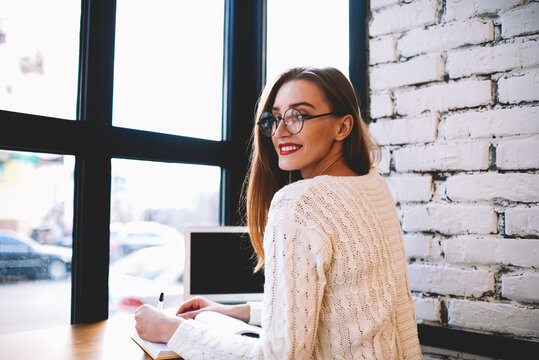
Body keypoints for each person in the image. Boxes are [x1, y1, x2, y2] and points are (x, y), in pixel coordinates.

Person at [134, 66, 423, 359]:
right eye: (275, 118)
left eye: (298, 116)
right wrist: (240, 312)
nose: (280, 131)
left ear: (342, 127)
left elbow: (278, 356)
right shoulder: (373, 186)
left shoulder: (299, 202)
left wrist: (171, 330)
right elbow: (349, 310)